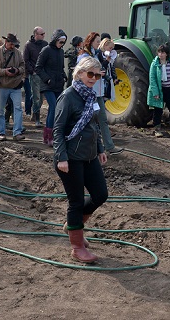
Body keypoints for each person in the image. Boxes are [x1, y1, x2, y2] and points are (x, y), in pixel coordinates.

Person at [53, 55, 109, 264]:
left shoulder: (90, 96)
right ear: (79, 74)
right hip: (71, 158)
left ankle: (72, 224)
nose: (93, 78)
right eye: (90, 74)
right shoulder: (68, 97)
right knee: (76, 201)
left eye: (97, 75)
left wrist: (100, 148)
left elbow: (94, 126)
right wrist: (61, 157)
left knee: (100, 194)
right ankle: (77, 247)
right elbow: (57, 129)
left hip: (89, 155)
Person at [78, 35, 122, 155]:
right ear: (91, 42)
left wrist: (104, 72)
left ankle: (109, 146)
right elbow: (82, 73)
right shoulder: (84, 56)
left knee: (102, 119)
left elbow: (101, 68)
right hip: (88, 92)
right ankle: (86, 147)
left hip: (98, 92)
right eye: (97, 41)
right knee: (87, 119)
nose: (99, 43)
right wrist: (98, 74)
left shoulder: (97, 54)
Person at [0, 33, 26, 141]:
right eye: (11, 44)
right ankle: (1, 132)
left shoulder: (18, 53)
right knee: (0, 110)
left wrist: (17, 70)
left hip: (15, 86)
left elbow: (23, 66)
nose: (13, 46)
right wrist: (4, 72)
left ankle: (17, 132)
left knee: (18, 108)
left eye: (14, 44)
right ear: (6, 42)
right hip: (1, 86)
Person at [35, 29, 68, 146]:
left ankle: (50, 135)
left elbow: (61, 67)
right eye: (60, 41)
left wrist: (64, 76)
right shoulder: (46, 50)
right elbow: (38, 67)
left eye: (64, 42)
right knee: (53, 107)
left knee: (56, 109)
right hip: (47, 85)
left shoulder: (61, 52)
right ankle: (49, 136)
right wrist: (47, 79)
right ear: (55, 40)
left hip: (58, 85)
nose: (62, 44)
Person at [148, 44, 170, 137]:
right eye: (159, 52)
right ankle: (157, 129)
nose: (160, 54)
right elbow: (152, 79)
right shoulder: (154, 64)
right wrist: (155, 93)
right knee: (158, 109)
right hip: (159, 89)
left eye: (162, 52)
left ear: (167, 54)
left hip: (169, 88)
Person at [24, 26, 47, 127]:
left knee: (41, 98)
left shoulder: (45, 45)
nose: (43, 36)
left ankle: (34, 113)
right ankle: (37, 118)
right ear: (35, 35)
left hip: (43, 74)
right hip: (34, 74)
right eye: (41, 34)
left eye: (43, 34)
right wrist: (31, 71)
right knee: (36, 97)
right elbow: (26, 60)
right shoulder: (28, 45)